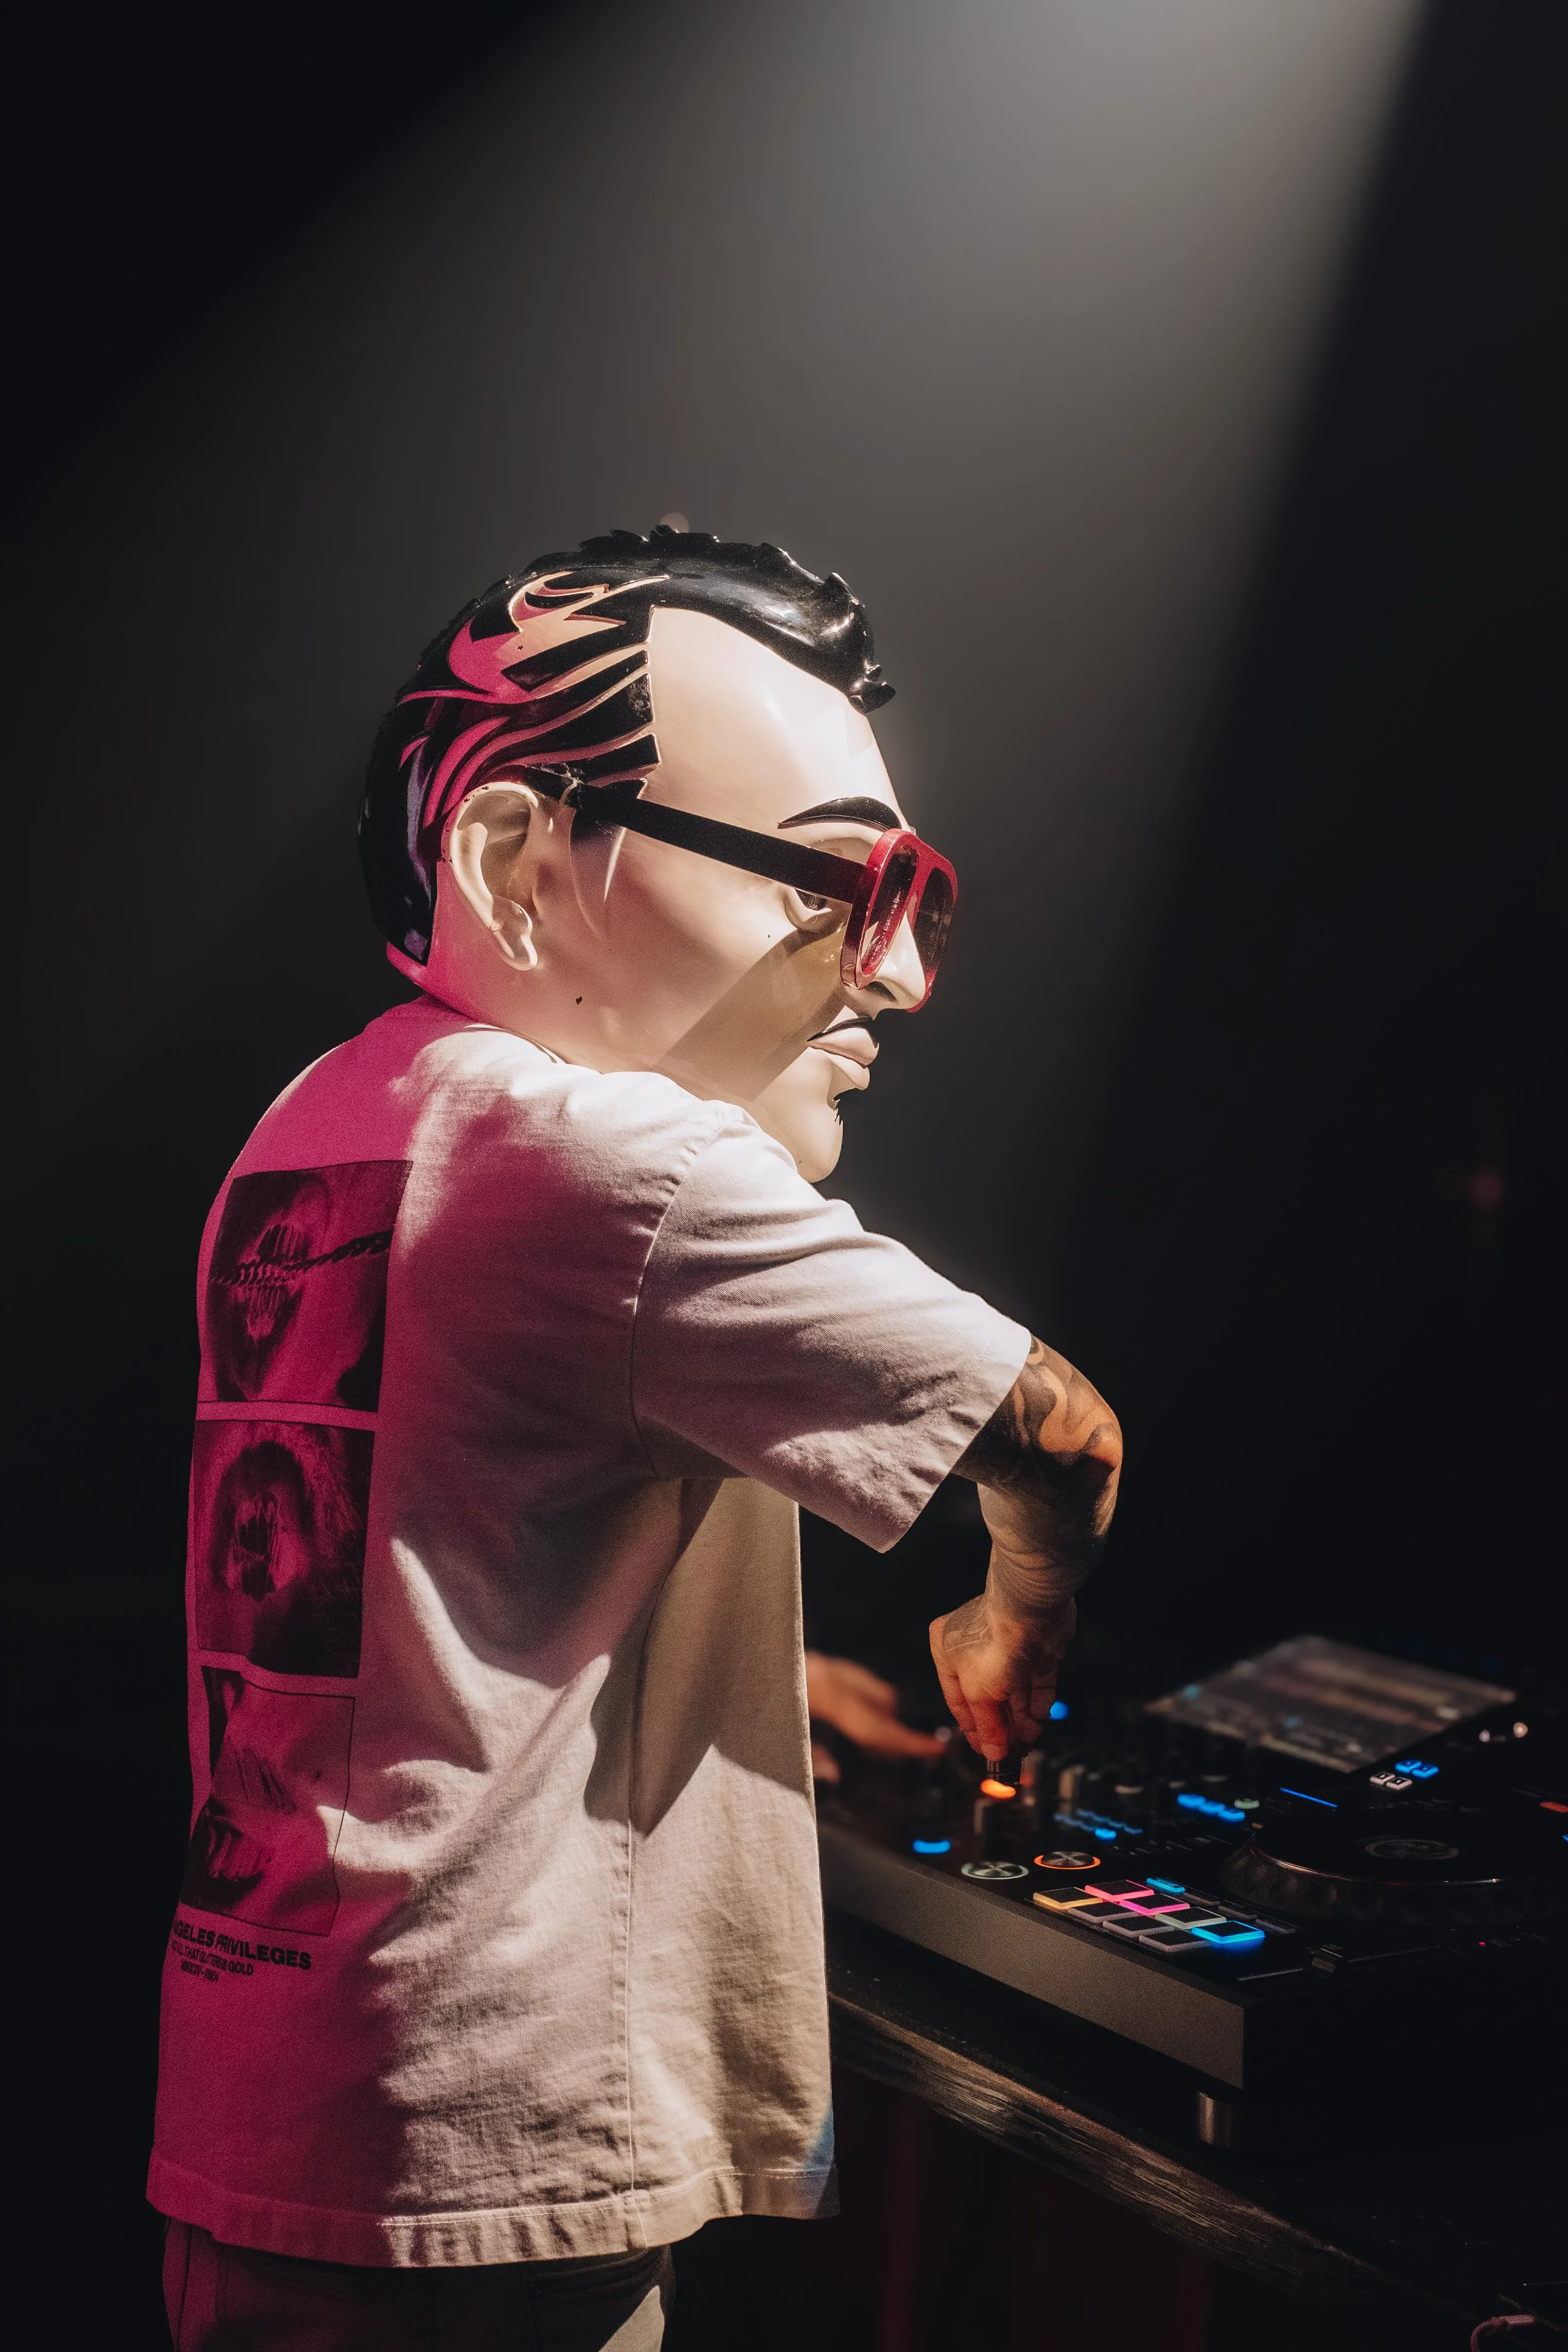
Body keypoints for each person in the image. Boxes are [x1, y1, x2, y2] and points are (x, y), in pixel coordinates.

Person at [151, 527, 1123, 2350]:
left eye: (915, 895)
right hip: (486, 2143)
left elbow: (416, 1567)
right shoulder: (622, 1163)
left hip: (272, 2079)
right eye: (842, 885)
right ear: (518, 861)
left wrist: (742, 1680)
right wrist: (1010, 1625)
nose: (896, 977)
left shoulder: (329, 1113)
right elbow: (1061, 1440)